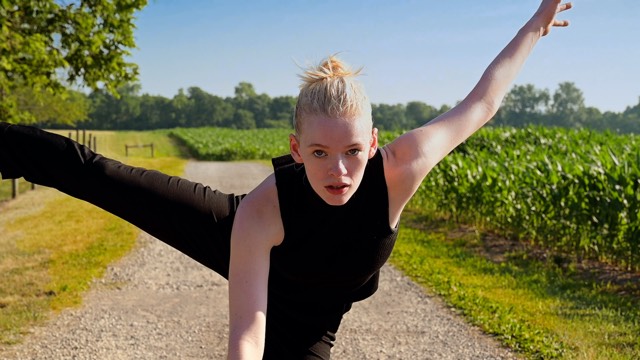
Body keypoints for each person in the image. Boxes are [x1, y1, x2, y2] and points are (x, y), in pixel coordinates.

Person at [0, 1, 572, 359]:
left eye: (353, 151)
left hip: (311, 328)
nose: (340, 170)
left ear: (374, 144)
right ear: (295, 150)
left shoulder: (400, 169)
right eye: (320, 153)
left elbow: (483, 102)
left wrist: (535, 23)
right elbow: (247, 334)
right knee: (103, 176)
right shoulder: (262, 210)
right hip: (247, 238)